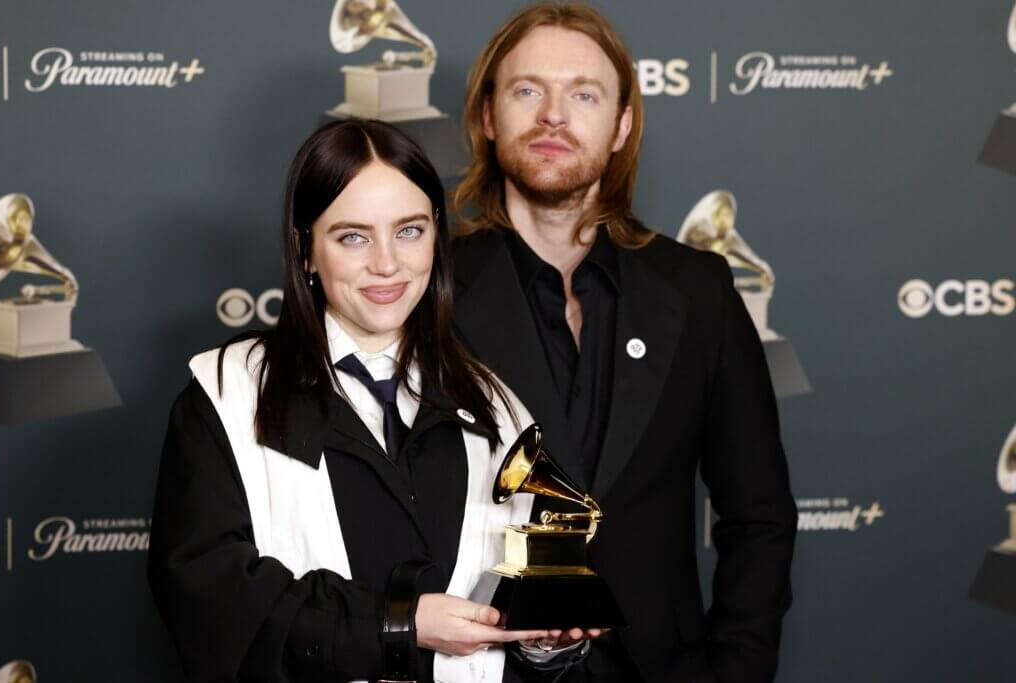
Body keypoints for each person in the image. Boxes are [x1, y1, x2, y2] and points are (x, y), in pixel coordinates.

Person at [147, 119, 596, 683]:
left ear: (437, 235)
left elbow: (510, 631)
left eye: (409, 231)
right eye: (353, 236)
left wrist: (542, 643)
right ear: (305, 249)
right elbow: (211, 606)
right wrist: (398, 626)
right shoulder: (225, 394)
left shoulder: (497, 408)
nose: (387, 263)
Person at [451, 3, 798, 682]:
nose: (554, 115)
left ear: (622, 125)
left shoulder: (698, 291)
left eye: (584, 94)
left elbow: (759, 515)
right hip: (484, 669)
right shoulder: (426, 290)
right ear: (489, 118)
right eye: (528, 91)